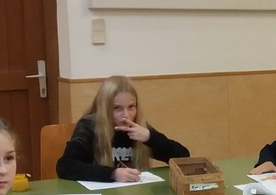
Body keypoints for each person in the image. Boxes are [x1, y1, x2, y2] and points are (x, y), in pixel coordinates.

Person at [57, 75, 189, 182]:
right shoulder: (89, 126)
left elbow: (183, 157)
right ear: (104, 108)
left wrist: (150, 137)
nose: (126, 115)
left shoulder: (138, 126)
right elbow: (66, 166)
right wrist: (113, 174)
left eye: (131, 107)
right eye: (117, 108)